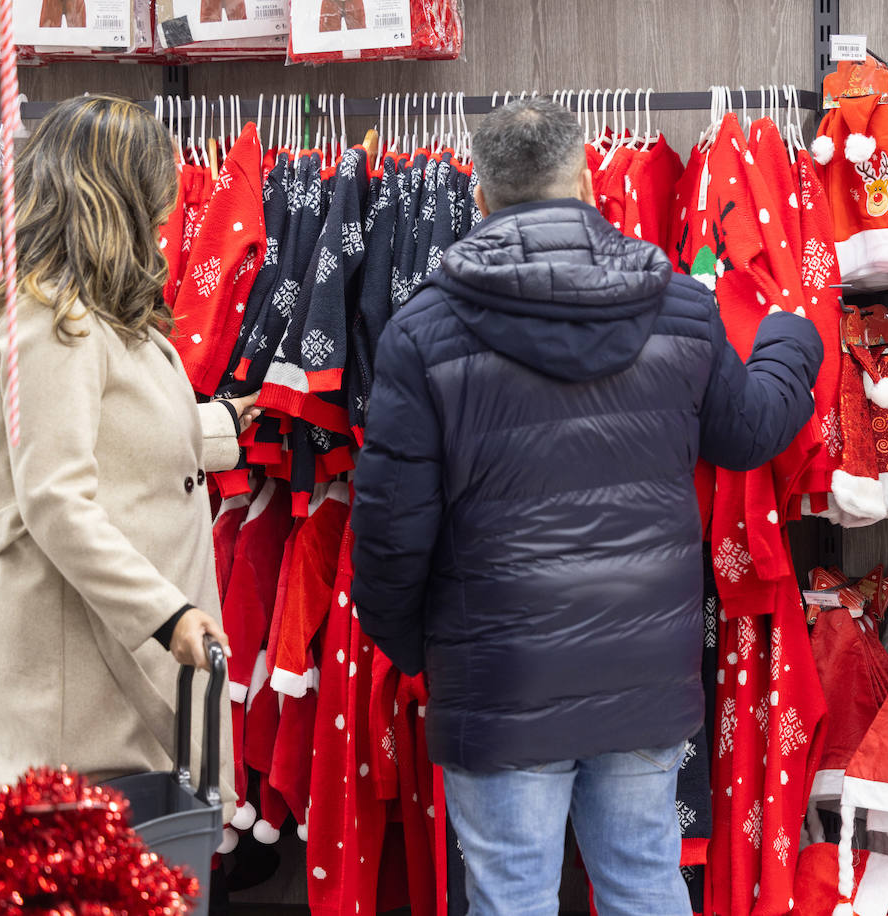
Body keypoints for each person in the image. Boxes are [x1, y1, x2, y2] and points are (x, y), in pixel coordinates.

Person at [352, 98, 823, 916]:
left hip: (497, 671)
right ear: (586, 182)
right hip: (642, 661)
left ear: (482, 198)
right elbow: (749, 433)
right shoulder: (677, 304)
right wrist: (790, 341)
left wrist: (425, 650)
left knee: (512, 898)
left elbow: (390, 533)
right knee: (645, 882)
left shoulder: (423, 331)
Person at [0, 95, 257, 818]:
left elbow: (118, 432)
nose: (166, 212)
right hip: (81, 669)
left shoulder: (86, 310)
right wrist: (169, 615)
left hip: (111, 655)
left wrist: (229, 425)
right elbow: (55, 497)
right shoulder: (46, 318)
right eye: (157, 191)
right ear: (117, 195)